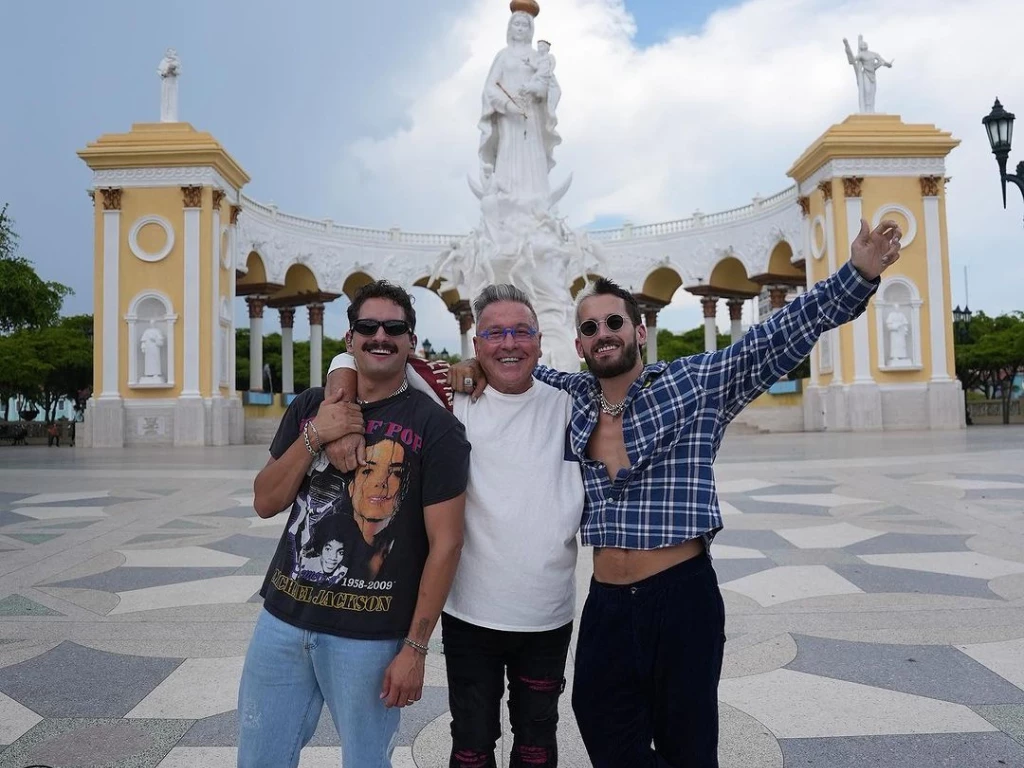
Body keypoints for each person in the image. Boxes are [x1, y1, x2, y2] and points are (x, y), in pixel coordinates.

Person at [452, 219, 904, 767]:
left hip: (680, 597)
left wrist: (857, 273)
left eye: (614, 321)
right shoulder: (570, 393)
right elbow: (506, 365)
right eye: (590, 329)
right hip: (606, 605)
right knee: (599, 723)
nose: (604, 334)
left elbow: (782, 333)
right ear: (578, 345)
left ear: (640, 331)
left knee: (687, 744)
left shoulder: (696, 383)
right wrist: (467, 365)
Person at [327, 284, 585, 768]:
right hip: (469, 614)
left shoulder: (572, 403)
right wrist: (339, 386)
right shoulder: (451, 398)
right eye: (494, 333)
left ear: (540, 339)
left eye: (521, 331)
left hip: (547, 615)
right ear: (475, 343)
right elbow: (370, 354)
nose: (509, 343)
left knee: (536, 743)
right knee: (470, 744)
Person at [237, 280, 471, 768]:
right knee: (260, 758)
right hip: (282, 619)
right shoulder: (311, 406)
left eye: (394, 328)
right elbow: (265, 500)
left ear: (411, 341)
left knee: (367, 762)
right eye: (367, 327)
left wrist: (415, 648)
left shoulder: (437, 427)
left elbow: (446, 544)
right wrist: (316, 435)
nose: (379, 336)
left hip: (371, 636)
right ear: (349, 339)